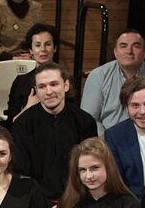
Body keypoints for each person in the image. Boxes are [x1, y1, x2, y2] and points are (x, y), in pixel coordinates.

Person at [10, 62, 97, 200]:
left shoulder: (85, 121)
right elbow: (22, 174)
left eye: (54, 84)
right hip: (35, 201)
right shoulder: (22, 125)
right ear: (36, 91)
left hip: (79, 199)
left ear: (66, 85)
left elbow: (91, 168)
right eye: (42, 86)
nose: (49, 92)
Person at [79, 29, 145, 134]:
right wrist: (105, 141)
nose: (129, 51)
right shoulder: (98, 76)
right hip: (105, 143)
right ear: (115, 52)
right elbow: (89, 119)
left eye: (136, 46)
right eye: (123, 46)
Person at [6, 23, 59, 124]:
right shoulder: (21, 81)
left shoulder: (64, 79)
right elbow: (11, 122)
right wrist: (29, 107)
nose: (43, 49)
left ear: (55, 48)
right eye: (38, 45)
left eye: (48, 44)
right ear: (31, 50)